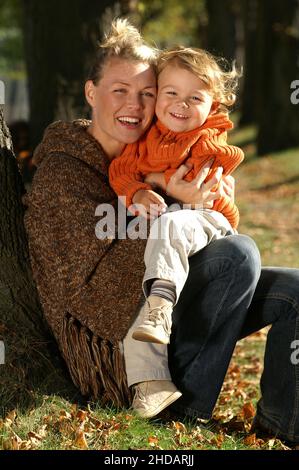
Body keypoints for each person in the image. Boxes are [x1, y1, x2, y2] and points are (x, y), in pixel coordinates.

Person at [23, 19, 299, 446]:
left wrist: (203, 193)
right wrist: (178, 199)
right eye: (119, 90)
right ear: (91, 93)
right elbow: (87, 289)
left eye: (147, 93)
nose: (134, 104)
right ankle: (186, 415)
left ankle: (279, 428)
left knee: (294, 292)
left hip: (184, 289)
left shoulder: (160, 148)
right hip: (124, 338)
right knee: (238, 255)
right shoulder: (63, 172)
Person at [109, 46, 243, 344]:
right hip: (175, 221)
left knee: (170, 225)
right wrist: (138, 191)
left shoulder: (208, 134)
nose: (181, 104)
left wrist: (158, 177)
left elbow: (200, 183)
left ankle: (161, 306)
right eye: (171, 93)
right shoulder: (144, 137)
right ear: (157, 95)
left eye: (195, 98)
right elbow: (121, 170)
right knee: (151, 238)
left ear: (213, 105)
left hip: (209, 218)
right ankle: (150, 374)